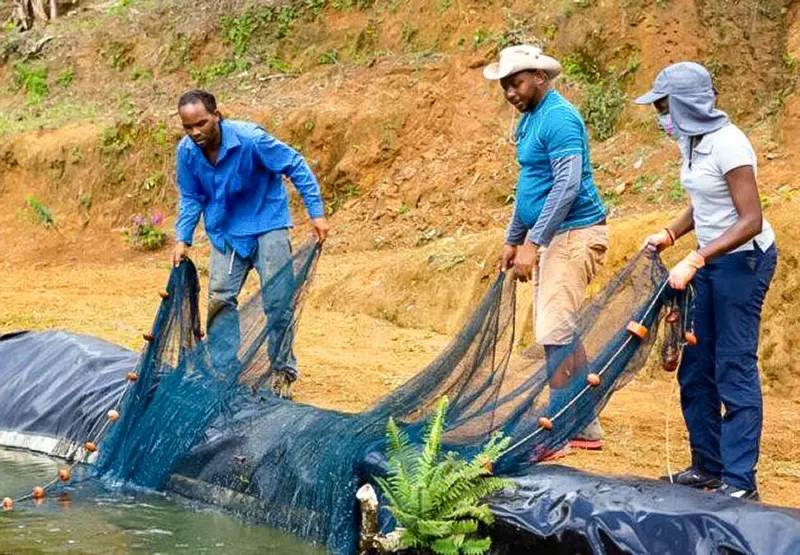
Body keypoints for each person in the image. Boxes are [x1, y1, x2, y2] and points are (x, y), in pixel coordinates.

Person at [637, 62, 777, 500]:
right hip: (710, 261)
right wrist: (671, 234)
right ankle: (707, 467)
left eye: (665, 108)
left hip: (742, 263)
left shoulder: (729, 144)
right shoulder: (691, 142)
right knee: (696, 368)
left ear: (688, 105)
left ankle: (739, 483)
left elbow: (750, 219)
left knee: (732, 366)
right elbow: (704, 201)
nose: (662, 118)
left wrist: (695, 257)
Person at [483, 45, 609, 457]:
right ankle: (584, 424)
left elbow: (567, 185)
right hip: (551, 235)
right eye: (504, 86)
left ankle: (557, 431)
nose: (510, 93)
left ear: (539, 77)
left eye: (515, 83)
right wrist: (513, 237)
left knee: (554, 330)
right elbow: (530, 186)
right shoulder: (530, 121)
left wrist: (534, 242)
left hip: (575, 234)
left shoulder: (559, 118)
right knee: (562, 327)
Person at [171, 89, 329, 400]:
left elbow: (295, 165)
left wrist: (317, 213)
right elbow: (191, 197)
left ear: (217, 115)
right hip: (226, 230)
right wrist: (182, 238)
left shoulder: (251, 140)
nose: (195, 132)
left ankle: (282, 370)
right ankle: (224, 371)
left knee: (278, 301)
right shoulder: (187, 152)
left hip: (266, 223)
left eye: (201, 123)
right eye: (187, 127)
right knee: (220, 299)